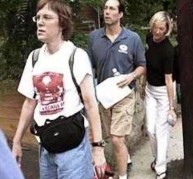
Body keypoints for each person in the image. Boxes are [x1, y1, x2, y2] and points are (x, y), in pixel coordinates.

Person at [12, 0, 106, 178]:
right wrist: (16, 142)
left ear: (62, 23)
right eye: (38, 17)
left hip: (73, 149)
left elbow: (90, 103)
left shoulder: (76, 56)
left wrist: (98, 148)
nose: (40, 22)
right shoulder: (34, 58)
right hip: (46, 147)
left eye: (47, 17)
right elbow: (29, 103)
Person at [87, 0, 146, 178]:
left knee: (116, 138)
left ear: (120, 14)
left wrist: (131, 76)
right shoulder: (94, 37)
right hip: (104, 96)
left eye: (112, 8)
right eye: (105, 8)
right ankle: (124, 157)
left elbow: (142, 65)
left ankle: (122, 176)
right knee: (113, 138)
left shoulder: (132, 38)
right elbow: (89, 68)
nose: (107, 12)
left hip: (125, 95)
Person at [142, 11, 177, 179]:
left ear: (167, 29)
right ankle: (157, 159)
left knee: (160, 131)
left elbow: (169, 79)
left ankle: (161, 168)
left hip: (164, 91)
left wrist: (171, 106)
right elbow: (145, 62)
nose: (157, 32)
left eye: (161, 29)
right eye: (155, 27)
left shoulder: (168, 50)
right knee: (150, 129)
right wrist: (143, 84)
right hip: (149, 89)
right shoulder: (148, 38)